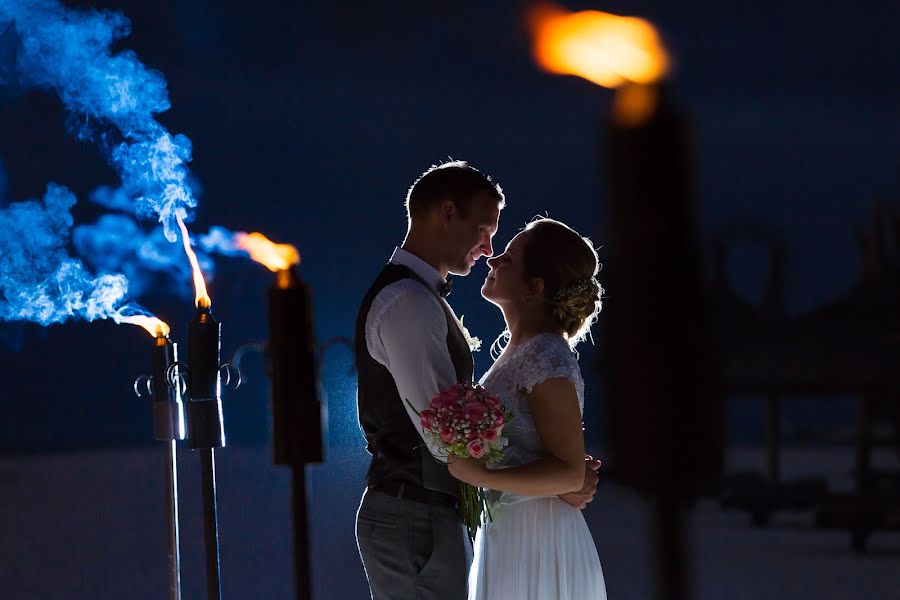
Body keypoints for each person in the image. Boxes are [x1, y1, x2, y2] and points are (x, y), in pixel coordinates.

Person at [354, 162, 601, 600]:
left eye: (504, 249)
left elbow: (461, 442)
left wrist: (563, 475)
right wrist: (564, 476)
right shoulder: (410, 302)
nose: (490, 250)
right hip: (427, 517)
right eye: (486, 230)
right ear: (447, 213)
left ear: (535, 287)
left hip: (520, 533)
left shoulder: (540, 353)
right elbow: (443, 437)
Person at [448, 217, 608, 600]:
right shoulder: (521, 352)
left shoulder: (546, 355)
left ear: (534, 288)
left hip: (538, 537)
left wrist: (478, 474)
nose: (493, 260)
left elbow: (569, 472)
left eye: (509, 258)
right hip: (512, 531)